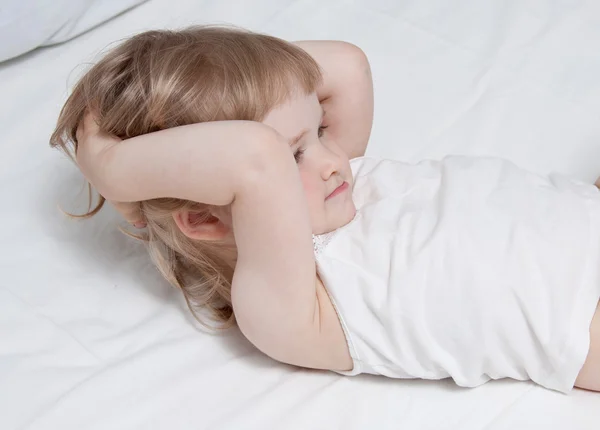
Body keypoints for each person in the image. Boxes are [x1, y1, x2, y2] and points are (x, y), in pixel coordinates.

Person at [50, 25, 600, 394]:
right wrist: (110, 167)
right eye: (296, 152)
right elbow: (254, 157)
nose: (334, 159)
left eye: (316, 129)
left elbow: (346, 65)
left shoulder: (329, 184)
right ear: (210, 218)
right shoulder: (289, 305)